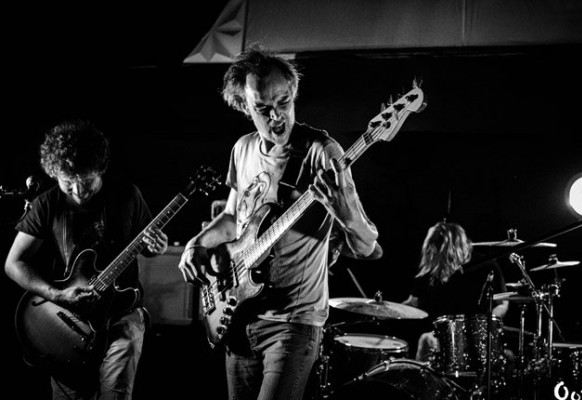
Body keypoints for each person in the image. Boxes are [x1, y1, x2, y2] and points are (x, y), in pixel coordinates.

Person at [177, 47, 379, 400]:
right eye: (263, 108)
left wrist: (346, 214)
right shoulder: (243, 149)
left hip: (294, 323)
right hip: (240, 314)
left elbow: (366, 246)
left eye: (283, 102)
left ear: (294, 94)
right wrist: (197, 244)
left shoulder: (322, 152)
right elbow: (232, 219)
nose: (276, 116)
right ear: (244, 107)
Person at [4, 119, 168, 399]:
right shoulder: (47, 203)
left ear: (100, 169)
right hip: (67, 321)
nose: (79, 192)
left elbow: (148, 246)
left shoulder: (127, 195)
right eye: (68, 183)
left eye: (87, 181)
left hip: (121, 315)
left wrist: (158, 246)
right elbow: (13, 264)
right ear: (54, 174)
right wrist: (57, 295)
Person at [402, 221, 509, 363]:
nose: (432, 252)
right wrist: (384, 309)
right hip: (441, 336)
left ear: (451, 247)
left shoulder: (484, 265)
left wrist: (486, 326)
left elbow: (502, 303)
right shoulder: (429, 271)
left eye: (437, 248)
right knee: (426, 340)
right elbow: (412, 303)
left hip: (478, 337)